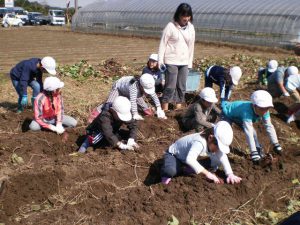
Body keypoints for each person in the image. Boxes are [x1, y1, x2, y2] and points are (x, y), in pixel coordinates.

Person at [160, 121, 242, 185]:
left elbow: (222, 156)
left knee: (217, 160)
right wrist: (208, 174)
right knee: (170, 171)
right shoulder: (199, 142)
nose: (218, 150)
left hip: (188, 157)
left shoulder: (211, 142)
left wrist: (230, 174)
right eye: (218, 147)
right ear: (210, 138)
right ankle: (166, 176)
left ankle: (187, 169)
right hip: (175, 156)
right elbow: (190, 159)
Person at [221, 90, 282, 162]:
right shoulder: (246, 111)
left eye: (267, 108)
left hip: (239, 118)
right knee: (226, 132)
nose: (265, 111)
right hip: (228, 114)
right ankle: (221, 149)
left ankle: (258, 149)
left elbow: (269, 126)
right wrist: (253, 152)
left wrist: (276, 144)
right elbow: (248, 132)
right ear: (254, 106)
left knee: (254, 133)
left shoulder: (265, 111)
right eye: (262, 108)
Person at [158, 3, 195, 111]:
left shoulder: (191, 28)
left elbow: (191, 46)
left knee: (181, 86)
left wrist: (189, 63)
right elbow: (162, 44)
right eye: (184, 15)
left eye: (188, 16)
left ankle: (178, 108)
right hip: (171, 61)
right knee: (170, 86)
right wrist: (160, 61)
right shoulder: (170, 26)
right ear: (178, 15)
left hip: (184, 62)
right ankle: (165, 108)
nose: (186, 18)